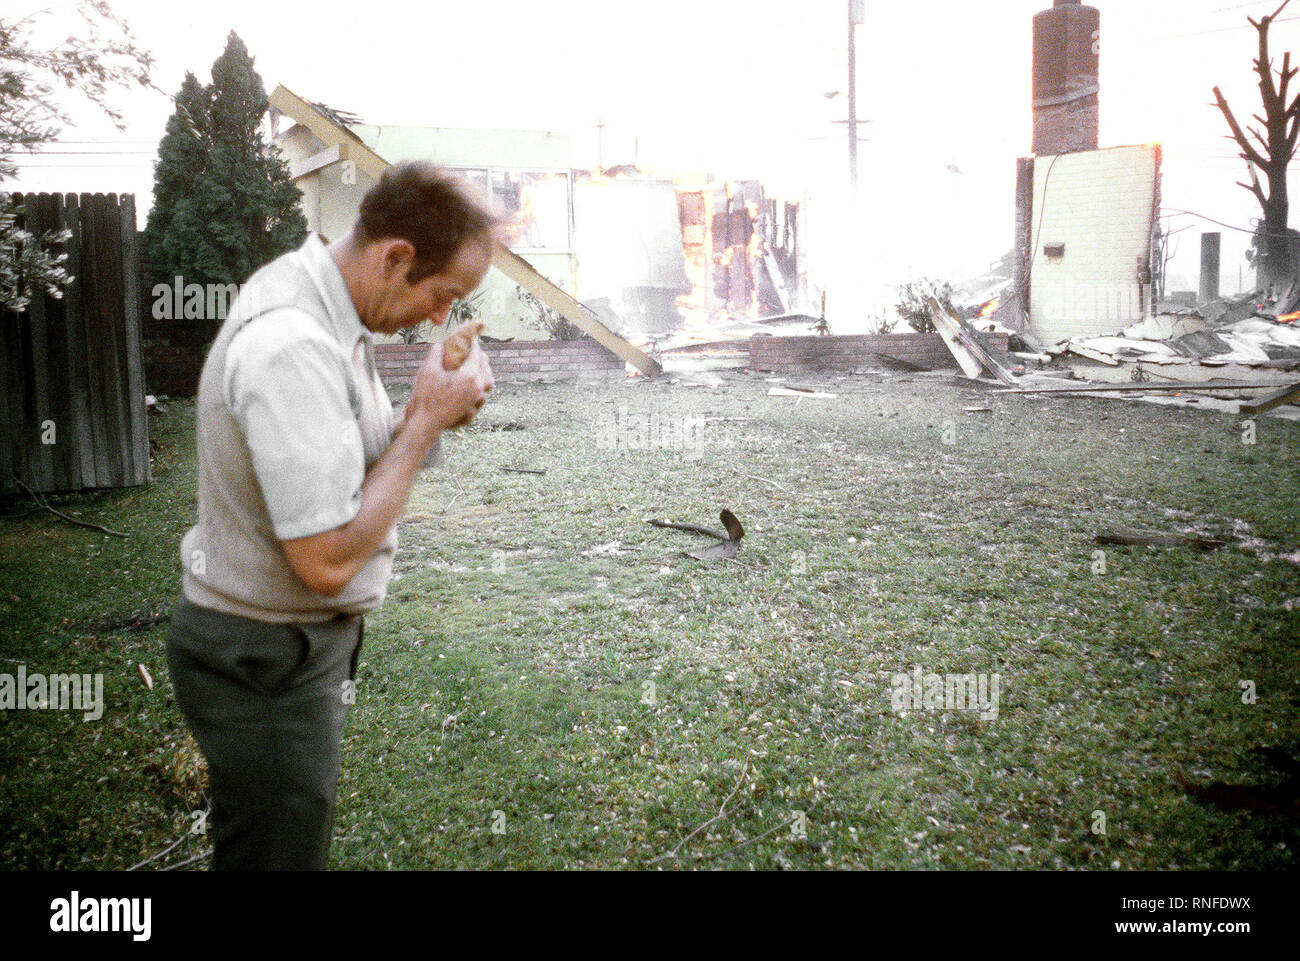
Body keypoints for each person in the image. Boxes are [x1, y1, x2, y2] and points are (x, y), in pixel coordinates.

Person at [166, 161, 497, 869]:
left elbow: (343, 469)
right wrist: (424, 425)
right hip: (266, 661)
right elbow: (325, 560)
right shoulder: (295, 343)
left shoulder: (328, 309)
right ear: (396, 257)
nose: (441, 317)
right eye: (444, 295)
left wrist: (426, 407)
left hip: (283, 651)